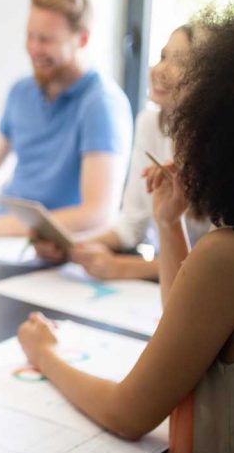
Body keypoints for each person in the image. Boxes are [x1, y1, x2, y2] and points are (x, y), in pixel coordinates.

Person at [17, 0, 234, 453]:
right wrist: (170, 225)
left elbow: (130, 414)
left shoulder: (231, 256)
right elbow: (192, 320)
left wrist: (45, 355)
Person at [0, 0, 133, 237]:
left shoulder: (102, 104)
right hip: (3, 237)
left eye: (46, 40)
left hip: (52, 249)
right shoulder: (21, 91)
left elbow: (97, 212)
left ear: (82, 39)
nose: (34, 48)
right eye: (30, 36)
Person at [34, 25, 212, 280]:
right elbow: (132, 225)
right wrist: (70, 247)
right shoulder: (150, 124)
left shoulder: (222, 149)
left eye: (179, 62)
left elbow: (213, 265)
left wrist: (120, 268)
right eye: (162, 57)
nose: (159, 70)